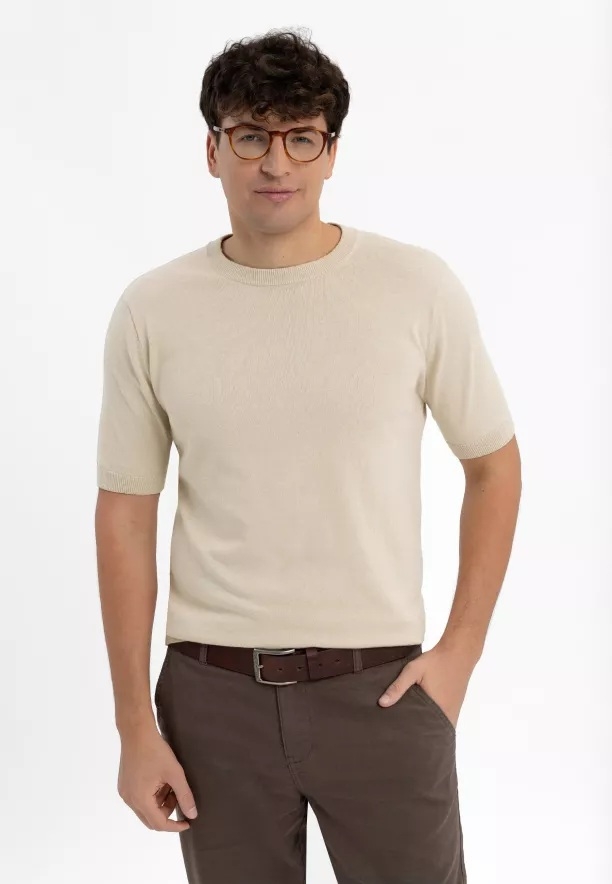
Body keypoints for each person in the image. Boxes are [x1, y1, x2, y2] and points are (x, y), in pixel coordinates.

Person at [95, 27, 522, 884]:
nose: (275, 162)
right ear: (212, 150)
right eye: (251, 135)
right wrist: (135, 725)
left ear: (331, 152)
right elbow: (126, 513)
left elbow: (493, 465)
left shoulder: (415, 288)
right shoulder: (153, 309)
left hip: (384, 691)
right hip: (213, 699)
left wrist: (461, 652)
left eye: (301, 137)